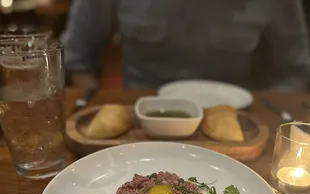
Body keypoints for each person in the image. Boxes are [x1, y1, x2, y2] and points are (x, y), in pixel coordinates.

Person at [62, 0, 310, 92]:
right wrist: (95, 103)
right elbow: (76, 56)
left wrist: (266, 118)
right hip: (139, 123)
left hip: (236, 125)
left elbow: (295, 70)